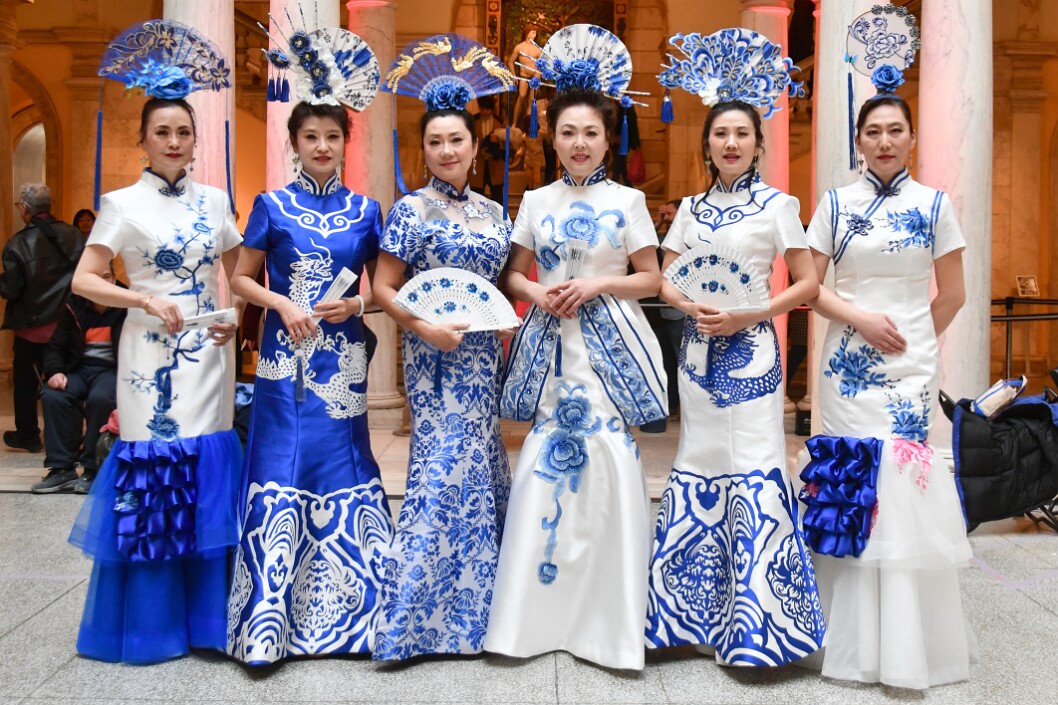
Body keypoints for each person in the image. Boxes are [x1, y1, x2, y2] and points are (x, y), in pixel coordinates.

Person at [486, 25, 666, 671]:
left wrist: (597, 285)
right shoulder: (535, 198)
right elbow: (510, 273)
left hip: (609, 350)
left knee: (609, 462)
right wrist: (537, 294)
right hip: (552, 346)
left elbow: (653, 278)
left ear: (605, 136)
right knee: (546, 465)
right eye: (568, 132)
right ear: (551, 136)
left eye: (591, 132)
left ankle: (608, 625)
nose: (580, 142)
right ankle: (533, 621)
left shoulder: (630, 200)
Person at [67, 22, 242, 663]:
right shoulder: (119, 203)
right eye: (161, 132)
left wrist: (233, 321)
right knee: (155, 471)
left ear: (196, 140)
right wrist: (141, 298)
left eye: (183, 132)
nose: (173, 141)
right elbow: (86, 279)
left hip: (210, 357)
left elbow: (234, 275)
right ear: (141, 139)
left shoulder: (215, 199)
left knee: (208, 473)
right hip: (149, 356)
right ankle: (150, 625)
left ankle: (206, 623)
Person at [226, 30, 395, 664]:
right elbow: (240, 277)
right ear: (294, 144)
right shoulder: (271, 206)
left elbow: (381, 290)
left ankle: (357, 620)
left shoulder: (367, 210)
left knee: (345, 464)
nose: (322, 147)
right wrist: (281, 304)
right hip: (284, 365)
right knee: (283, 464)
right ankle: (268, 626)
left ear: (345, 144)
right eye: (310, 138)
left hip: (344, 364)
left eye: (332, 137)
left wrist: (356, 304)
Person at [800, 87, 975, 689]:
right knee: (854, 482)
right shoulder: (833, 204)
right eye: (872, 131)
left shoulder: (934, 204)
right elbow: (809, 288)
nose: (883, 141)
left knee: (900, 486)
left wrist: (914, 340)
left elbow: (952, 293)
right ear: (858, 140)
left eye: (894, 130)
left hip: (908, 369)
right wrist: (860, 321)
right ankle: (846, 640)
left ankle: (906, 644)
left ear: (911, 137)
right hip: (848, 362)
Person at [644, 101, 824, 666]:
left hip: (753, 353)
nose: (730, 143)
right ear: (707, 144)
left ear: (757, 144)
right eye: (720, 133)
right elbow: (663, 277)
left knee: (753, 463)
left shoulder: (779, 206)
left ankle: (760, 631)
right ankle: (687, 621)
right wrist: (690, 303)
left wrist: (754, 314)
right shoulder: (691, 209)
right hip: (698, 350)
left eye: (741, 133)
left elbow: (810, 282)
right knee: (700, 461)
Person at [372, 34, 515, 661]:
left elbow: (506, 282)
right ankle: (412, 621)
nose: (446, 150)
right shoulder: (408, 212)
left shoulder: (493, 212)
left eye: (456, 139)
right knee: (438, 471)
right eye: (434, 141)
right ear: (423, 149)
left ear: (475, 145)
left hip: (482, 355)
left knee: (481, 467)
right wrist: (422, 328)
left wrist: (517, 312)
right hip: (432, 357)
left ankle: (484, 616)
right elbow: (382, 287)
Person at [0, 183, 84, 453]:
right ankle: (69, 435)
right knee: (67, 377)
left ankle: (28, 435)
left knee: (25, 382)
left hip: (32, 329)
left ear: (24, 209)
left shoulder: (17, 244)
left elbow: (11, 289)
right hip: (69, 324)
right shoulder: (73, 235)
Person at [33, 262, 125, 494]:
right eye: (96, 277)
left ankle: (93, 468)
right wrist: (54, 372)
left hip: (113, 370)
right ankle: (61, 468)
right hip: (79, 368)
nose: (103, 283)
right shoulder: (74, 305)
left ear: (114, 279)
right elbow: (55, 346)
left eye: (107, 276)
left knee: (101, 398)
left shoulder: (127, 304)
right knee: (52, 394)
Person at [508, 24, 542, 127]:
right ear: (527, 33)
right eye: (532, 32)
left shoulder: (537, 49)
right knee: (521, 96)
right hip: (523, 76)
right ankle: (514, 123)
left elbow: (541, 65)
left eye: (535, 32)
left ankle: (529, 124)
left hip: (534, 76)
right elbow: (510, 62)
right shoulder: (519, 47)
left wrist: (538, 76)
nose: (534, 34)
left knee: (531, 100)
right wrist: (514, 76)